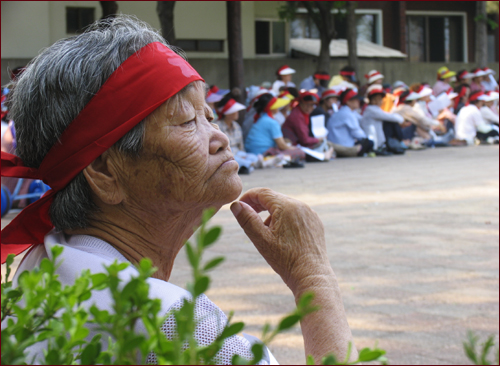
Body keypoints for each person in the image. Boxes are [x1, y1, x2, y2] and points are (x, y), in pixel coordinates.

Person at [0, 16, 358, 364]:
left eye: (209, 116)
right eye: (187, 121)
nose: (219, 139)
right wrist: (313, 276)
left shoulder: (46, 261)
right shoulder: (175, 324)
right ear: (105, 171)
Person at [245, 93, 304, 161]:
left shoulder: (263, 118)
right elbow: (281, 146)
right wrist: (294, 148)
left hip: (253, 151)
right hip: (263, 153)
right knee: (300, 152)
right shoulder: (272, 122)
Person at [281, 92, 334, 161]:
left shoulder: (302, 114)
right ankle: (323, 156)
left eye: (312, 105)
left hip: (300, 145)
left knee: (328, 144)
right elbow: (304, 140)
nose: (310, 107)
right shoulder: (297, 116)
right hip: (296, 146)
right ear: (301, 103)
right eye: (307, 105)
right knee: (328, 145)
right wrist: (319, 139)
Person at [215, 97, 261, 175]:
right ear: (227, 113)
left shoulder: (236, 126)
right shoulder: (217, 126)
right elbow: (220, 149)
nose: (237, 113)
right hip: (227, 155)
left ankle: (247, 166)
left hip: (238, 153)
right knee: (235, 160)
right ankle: (248, 165)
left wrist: (243, 155)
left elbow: (241, 146)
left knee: (252, 157)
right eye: (234, 111)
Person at [326, 89, 374, 157]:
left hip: (337, 144)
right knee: (369, 142)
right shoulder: (347, 113)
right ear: (348, 101)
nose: (358, 101)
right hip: (343, 147)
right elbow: (358, 134)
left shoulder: (345, 111)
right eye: (356, 99)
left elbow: (360, 119)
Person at [360, 85, 405, 155]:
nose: (378, 101)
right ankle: (401, 142)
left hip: (377, 138)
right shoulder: (371, 109)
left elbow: (389, 115)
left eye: (380, 99)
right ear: (371, 100)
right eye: (375, 99)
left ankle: (398, 143)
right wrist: (402, 119)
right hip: (372, 140)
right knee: (393, 122)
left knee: (391, 123)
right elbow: (392, 117)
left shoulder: (375, 109)